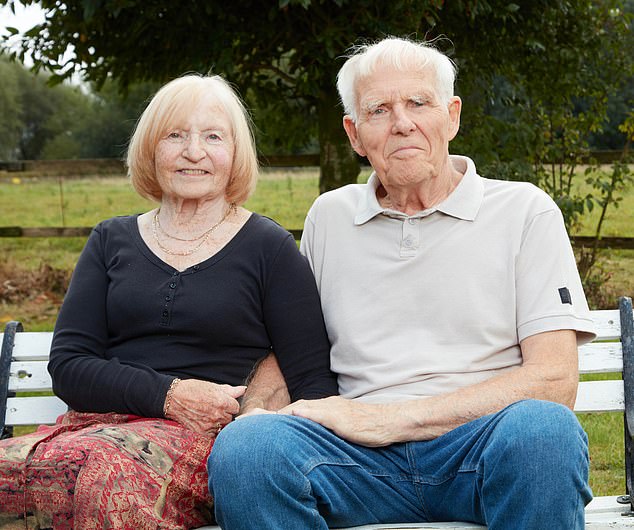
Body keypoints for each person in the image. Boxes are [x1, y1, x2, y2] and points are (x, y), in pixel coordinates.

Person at [208, 37, 597, 529]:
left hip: (480, 443)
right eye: (379, 110)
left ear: (452, 115)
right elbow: (294, 346)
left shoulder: (525, 211)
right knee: (247, 451)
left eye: (418, 103)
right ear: (354, 133)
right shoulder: (329, 217)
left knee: (545, 432)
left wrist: (388, 419)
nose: (402, 123)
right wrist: (256, 412)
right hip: (354, 462)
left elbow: (553, 381)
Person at [0, 74, 337, 529]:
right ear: (150, 151)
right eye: (174, 135)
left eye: (212, 137)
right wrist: (170, 394)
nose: (193, 151)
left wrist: (254, 418)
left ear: (235, 154)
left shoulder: (269, 247)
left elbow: (314, 382)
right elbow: (69, 365)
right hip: (92, 428)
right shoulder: (109, 239)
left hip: (206, 442)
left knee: (102, 476)